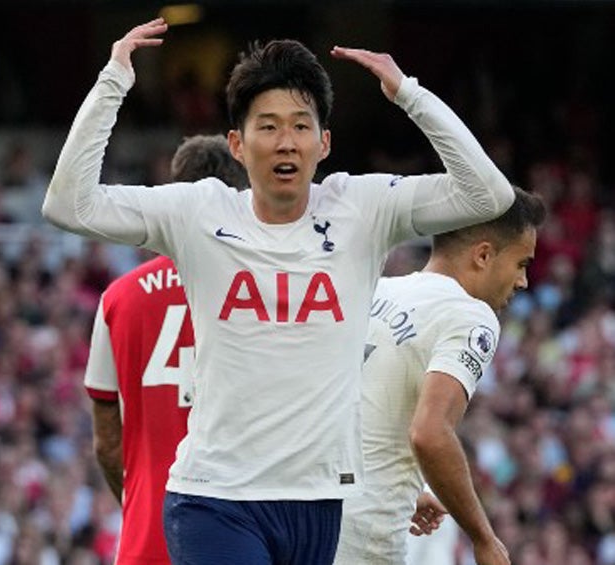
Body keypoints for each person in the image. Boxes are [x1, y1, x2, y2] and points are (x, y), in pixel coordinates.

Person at [42, 18, 514, 564]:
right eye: (267, 126)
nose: (286, 141)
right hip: (215, 498)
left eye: (300, 125)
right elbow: (67, 205)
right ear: (237, 145)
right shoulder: (199, 211)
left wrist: (409, 95)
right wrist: (113, 82)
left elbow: (489, 195)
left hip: (317, 502)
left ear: (324, 142)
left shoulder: (362, 208)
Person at [334, 187, 545, 565]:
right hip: (365, 536)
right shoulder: (471, 315)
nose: (522, 282)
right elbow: (430, 433)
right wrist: (483, 537)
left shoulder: (379, 290)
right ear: (483, 255)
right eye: (522, 264)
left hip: (312, 518)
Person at [85, 134, 247, 565]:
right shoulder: (261, 291)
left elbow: (105, 442)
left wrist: (139, 503)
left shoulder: (119, 298)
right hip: (238, 536)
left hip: (147, 539)